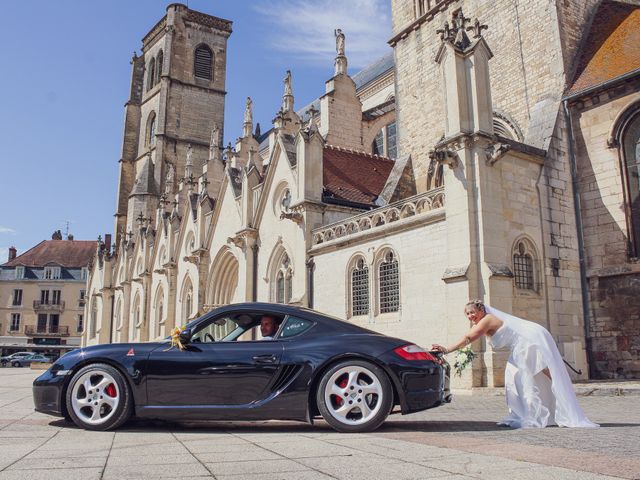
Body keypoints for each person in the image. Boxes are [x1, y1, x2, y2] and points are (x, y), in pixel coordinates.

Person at [431, 300, 598, 429]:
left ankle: (538, 412)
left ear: (481, 310)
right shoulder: (487, 319)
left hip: (527, 343)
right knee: (518, 377)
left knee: (523, 378)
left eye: (472, 312)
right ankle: (532, 411)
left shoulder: (487, 320)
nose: (470, 316)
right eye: (467, 314)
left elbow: (468, 338)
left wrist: (446, 349)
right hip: (523, 344)